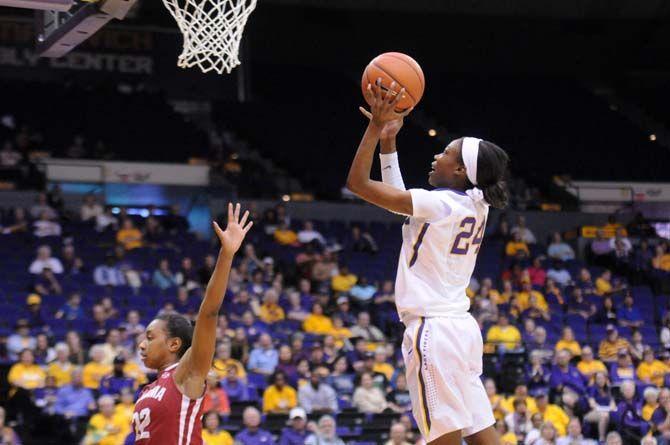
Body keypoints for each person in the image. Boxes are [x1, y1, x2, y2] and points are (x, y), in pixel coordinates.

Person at [348, 84, 509, 443]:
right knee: (482, 434)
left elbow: (358, 184)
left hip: (434, 333)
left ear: (460, 172)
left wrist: (374, 127)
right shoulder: (474, 204)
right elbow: (396, 202)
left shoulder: (443, 204)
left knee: (443, 437)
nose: (437, 156)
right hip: (461, 330)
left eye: (447, 154)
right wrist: (389, 144)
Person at [132, 203, 252, 444]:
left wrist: (226, 255)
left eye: (150, 337)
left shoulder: (186, 373)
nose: (142, 345)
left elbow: (208, 313)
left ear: (174, 343)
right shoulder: (147, 389)